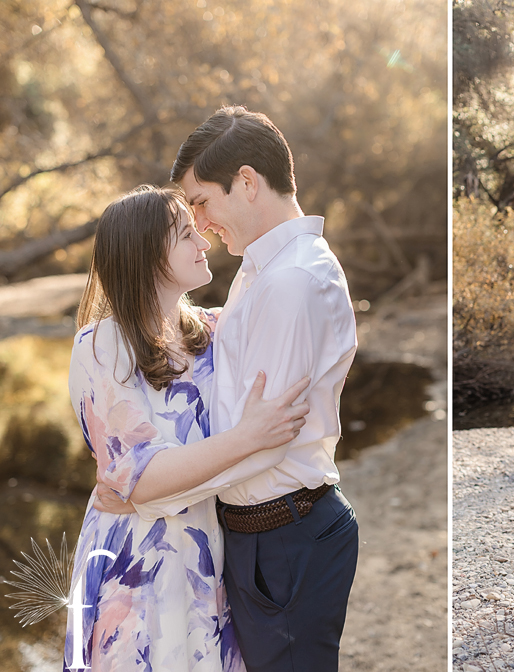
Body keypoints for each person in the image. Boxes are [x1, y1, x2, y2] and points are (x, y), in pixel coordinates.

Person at [96, 106, 359, 672]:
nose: (202, 223)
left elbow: (265, 439)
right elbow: (234, 407)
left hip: (285, 532)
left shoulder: (291, 280)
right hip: (255, 532)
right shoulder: (260, 268)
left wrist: (145, 494)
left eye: (201, 202)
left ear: (245, 182)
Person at [65, 186, 311, 671]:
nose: (204, 241)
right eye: (185, 235)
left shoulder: (214, 330)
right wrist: (246, 439)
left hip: (206, 551)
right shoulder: (101, 347)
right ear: (145, 256)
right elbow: (143, 478)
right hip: (133, 566)